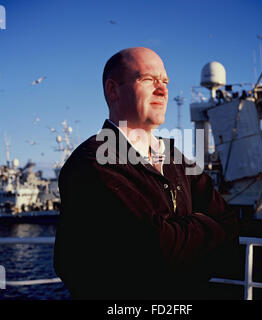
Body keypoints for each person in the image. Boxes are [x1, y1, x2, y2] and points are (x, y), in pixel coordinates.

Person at [54, 47, 239, 300]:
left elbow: (230, 226)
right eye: (148, 79)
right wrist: (205, 227)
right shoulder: (91, 164)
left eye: (164, 81)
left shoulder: (175, 157)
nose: (162, 90)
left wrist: (179, 233)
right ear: (113, 90)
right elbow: (156, 250)